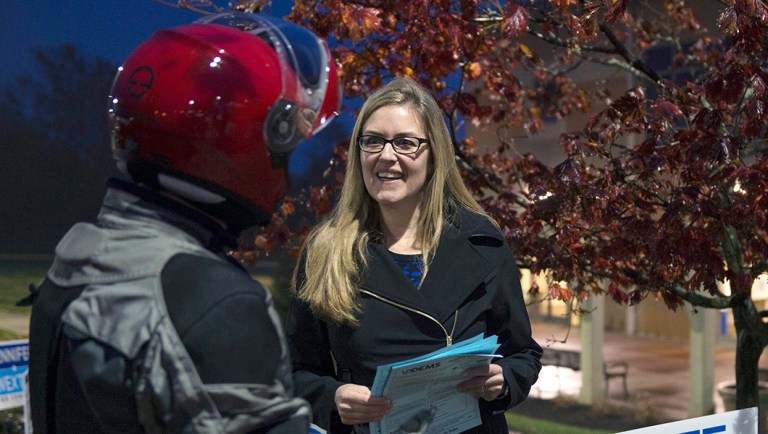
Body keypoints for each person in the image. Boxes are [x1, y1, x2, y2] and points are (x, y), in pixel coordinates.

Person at [27, 11, 340, 433]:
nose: (283, 178)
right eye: (280, 153)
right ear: (233, 142)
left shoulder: (77, 257)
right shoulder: (214, 303)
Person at [286, 77, 542, 434]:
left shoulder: (483, 243)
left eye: (405, 143)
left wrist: (503, 379)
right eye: (372, 141)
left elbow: (523, 354)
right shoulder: (327, 251)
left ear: (434, 153)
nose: (386, 155)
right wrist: (333, 397)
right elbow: (292, 373)